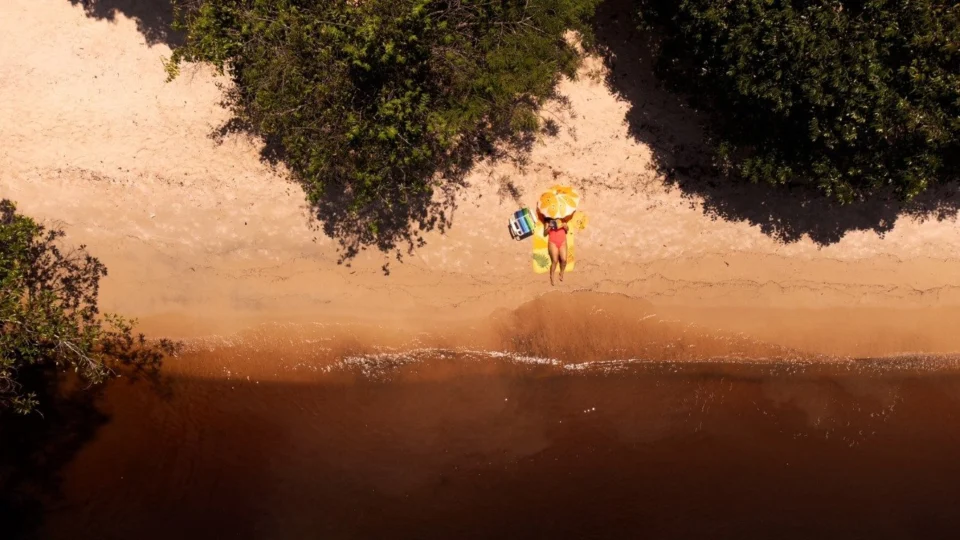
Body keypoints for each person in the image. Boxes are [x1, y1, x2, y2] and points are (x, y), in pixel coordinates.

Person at [545, 217, 568, 286]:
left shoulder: (563, 218)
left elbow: (567, 230)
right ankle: (552, 276)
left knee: (564, 260)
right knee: (555, 261)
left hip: (563, 241)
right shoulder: (548, 221)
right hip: (553, 242)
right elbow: (545, 233)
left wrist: (565, 226)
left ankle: (562, 272)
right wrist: (549, 226)